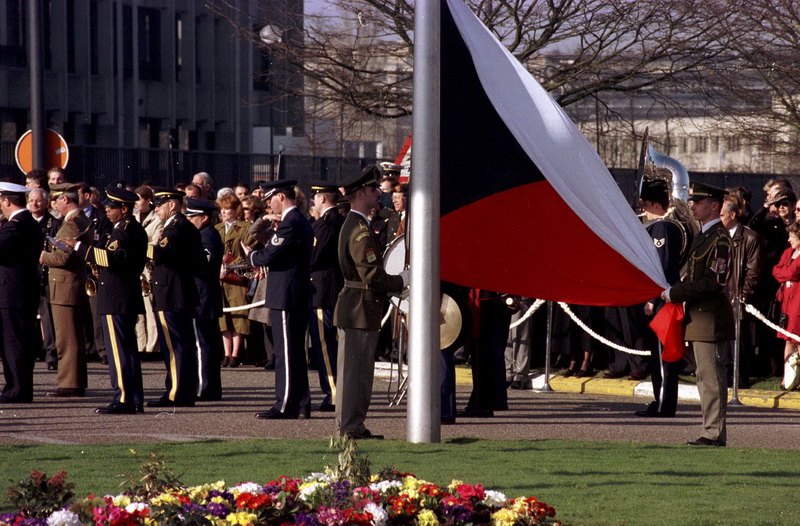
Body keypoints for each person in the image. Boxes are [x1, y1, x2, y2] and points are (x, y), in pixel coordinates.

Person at [333, 166, 408, 438]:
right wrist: (401, 281)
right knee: (354, 375)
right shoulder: (359, 228)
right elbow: (371, 274)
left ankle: (354, 425)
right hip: (358, 309)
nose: (378, 194)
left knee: (360, 375)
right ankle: (349, 427)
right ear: (361, 193)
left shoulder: (359, 224)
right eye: (374, 190)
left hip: (361, 307)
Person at [661, 182, 734, 447]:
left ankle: (713, 434)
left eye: (698, 202)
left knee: (711, 379)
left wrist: (675, 293)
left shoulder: (720, 239)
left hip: (710, 318)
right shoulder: (704, 235)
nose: (692, 205)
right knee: (704, 378)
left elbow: (714, 282)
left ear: (714, 206)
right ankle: (710, 430)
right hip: (699, 317)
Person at [70, 186, 148, 414]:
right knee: (127, 351)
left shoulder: (124, 231)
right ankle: (133, 398)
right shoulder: (128, 229)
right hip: (122, 295)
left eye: (111, 207)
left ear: (124, 209)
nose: (107, 210)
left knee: (119, 352)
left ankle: (124, 398)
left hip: (117, 297)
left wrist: (78, 247)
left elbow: (112, 258)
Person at [243, 180, 314, 420]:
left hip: (287, 294)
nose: (268, 204)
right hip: (292, 293)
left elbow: (269, 254)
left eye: (270, 198)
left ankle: (285, 404)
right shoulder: (294, 222)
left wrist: (250, 255)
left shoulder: (291, 223)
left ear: (281, 197)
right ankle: (301, 403)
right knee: (293, 351)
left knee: (286, 353)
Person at [628, 180, 686, 418]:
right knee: (657, 356)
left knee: (663, 357)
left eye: (645, 203)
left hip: (661, 300)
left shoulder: (663, 228)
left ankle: (664, 404)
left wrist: (652, 297)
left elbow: (660, 267)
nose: (642, 208)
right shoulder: (657, 227)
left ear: (653, 203)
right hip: (660, 298)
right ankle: (659, 400)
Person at [146, 187, 207, 407]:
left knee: (174, 346)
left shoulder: (176, 227)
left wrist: (140, 249)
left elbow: (162, 253)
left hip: (172, 293)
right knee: (181, 345)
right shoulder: (182, 227)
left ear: (172, 204)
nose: (156, 209)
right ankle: (183, 391)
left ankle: (176, 392)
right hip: (178, 292)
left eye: (160, 204)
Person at [40, 183, 93, 398]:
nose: (54, 205)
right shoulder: (77, 220)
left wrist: (43, 257)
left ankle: (70, 383)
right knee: (70, 337)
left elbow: (63, 257)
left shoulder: (71, 223)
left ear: (65, 200)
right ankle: (72, 381)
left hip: (65, 286)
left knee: (67, 338)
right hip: (68, 286)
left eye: (56, 200)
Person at [0, 182, 44, 403]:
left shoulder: (15, 225)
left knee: (14, 343)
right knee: (19, 342)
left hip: (13, 293)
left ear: (6, 201)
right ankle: (20, 388)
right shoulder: (27, 223)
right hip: (22, 291)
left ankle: (16, 390)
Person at [308, 181, 345, 412]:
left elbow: (313, 256)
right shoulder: (334, 221)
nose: (313, 202)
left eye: (315, 198)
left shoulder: (327, 223)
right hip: (327, 289)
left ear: (322, 198)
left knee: (325, 344)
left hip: (323, 291)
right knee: (329, 344)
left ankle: (333, 393)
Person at [720, 194, 763, 387]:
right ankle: (725, 374)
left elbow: (753, 271)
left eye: (722, 215)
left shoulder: (749, 237)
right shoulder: (717, 236)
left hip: (737, 295)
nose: (718, 219)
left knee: (738, 340)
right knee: (722, 339)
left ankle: (739, 378)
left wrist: (743, 295)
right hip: (719, 295)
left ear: (733, 215)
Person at [185, 198, 225, 401]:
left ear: (205, 218)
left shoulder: (207, 236)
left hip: (203, 295)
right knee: (206, 343)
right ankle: (209, 387)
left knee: (203, 345)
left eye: (193, 216)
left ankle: (205, 387)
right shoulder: (204, 234)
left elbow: (203, 265)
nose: (190, 220)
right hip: (204, 294)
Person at [216, 193, 259, 368]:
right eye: (222, 209)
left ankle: (235, 354)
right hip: (220, 278)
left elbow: (249, 249)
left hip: (236, 277)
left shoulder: (245, 227)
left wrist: (230, 264)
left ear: (235, 211)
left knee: (238, 315)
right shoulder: (218, 228)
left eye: (227, 209)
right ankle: (226, 353)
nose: (224, 212)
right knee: (224, 317)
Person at [28, 187, 61, 371]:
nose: (34, 203)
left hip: (45, 277)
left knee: (48, 320)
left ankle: (51, 356)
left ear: (46, 203)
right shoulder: (23, 222)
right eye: (31, 200)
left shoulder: (53, 224)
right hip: (26, 277)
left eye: (38, 200)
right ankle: (31, 353)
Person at [133, 186, 164, 355]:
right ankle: (140, 344)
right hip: (135, 267)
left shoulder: (157, 219)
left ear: (148, 200)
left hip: (148, 269)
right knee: (138, 310)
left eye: (139, 199)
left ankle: (152, 347)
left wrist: (137, 246)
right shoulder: (134, 217)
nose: (136, 204)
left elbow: (156, 242)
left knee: (150, 308)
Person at [772, 222, 800, 387]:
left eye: (792, 236)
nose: (789, 240)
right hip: (786, 303)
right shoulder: (788, 252)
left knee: (798, 339)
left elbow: (792, 272)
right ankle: (787, 377)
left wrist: (785, 273)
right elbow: (776, 270)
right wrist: (785, 273)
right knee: (788, 340)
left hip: (798, 302)